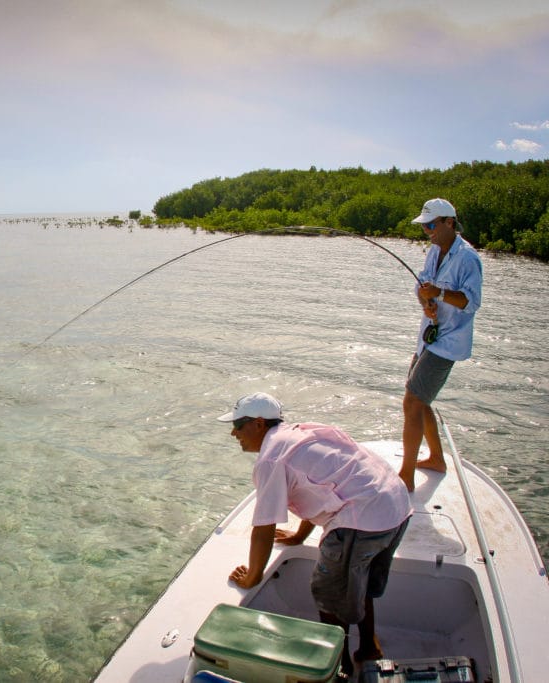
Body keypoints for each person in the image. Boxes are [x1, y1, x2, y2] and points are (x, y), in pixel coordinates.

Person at [219, 392, 412, 673]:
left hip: (362, 519)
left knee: (330, 595)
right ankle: (369, 646)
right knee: (361, 579)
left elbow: (263, 527)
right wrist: (299, 535)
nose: (233, 433)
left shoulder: (271, 459)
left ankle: (339, 668)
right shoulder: (301, 434)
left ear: (259, 424)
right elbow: (324, 485)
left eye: (238, 425)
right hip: (395, 505)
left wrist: (253, 576)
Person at [400, 198, 483, 491]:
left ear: (450, 222)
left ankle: (405, 477)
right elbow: (422, 286)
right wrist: (427, 303)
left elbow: (471, 301)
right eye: (424, 226)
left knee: (412, 401)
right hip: (429, 335)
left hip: (448, 342)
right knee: (419, 400)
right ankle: (436, 458)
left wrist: (440, 294)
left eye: (431, 225)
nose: (427, 231)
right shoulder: (434, 251)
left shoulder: (468, 258)